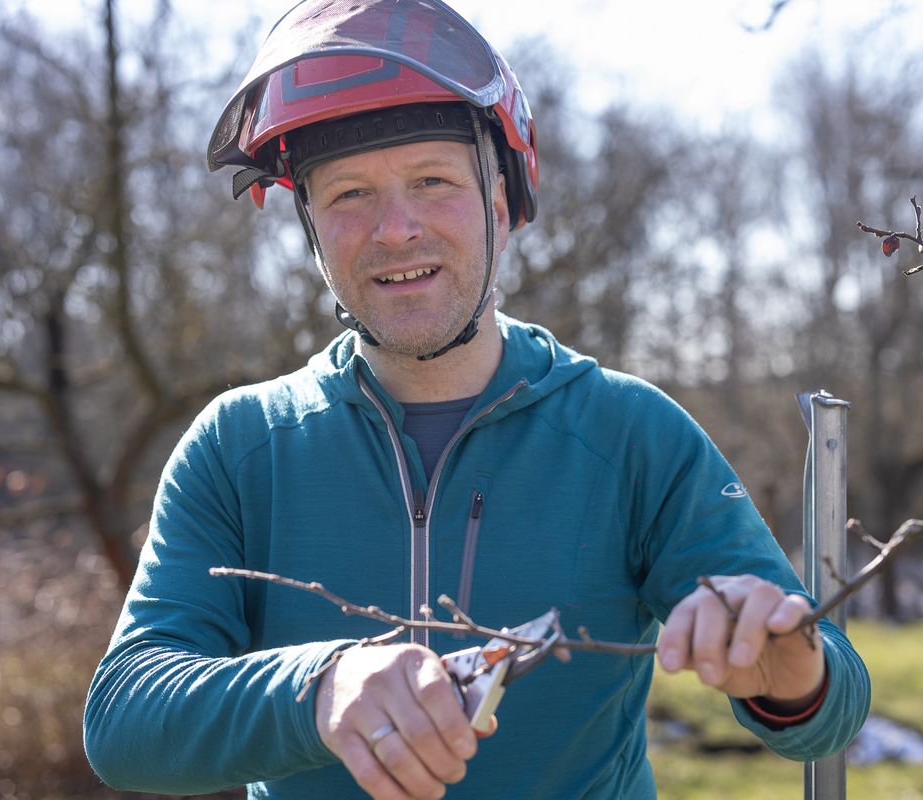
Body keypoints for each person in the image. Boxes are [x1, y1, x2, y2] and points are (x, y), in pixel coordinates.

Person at [83, 1, 870, 798]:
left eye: (432, 181)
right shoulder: (240, 447)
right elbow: (123, 721)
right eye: (350, 194)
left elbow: (834, 709)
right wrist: (318, 690)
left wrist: (790, 669)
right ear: (314, 234)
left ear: (500, 207)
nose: (395, 229)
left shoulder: (631, 434)